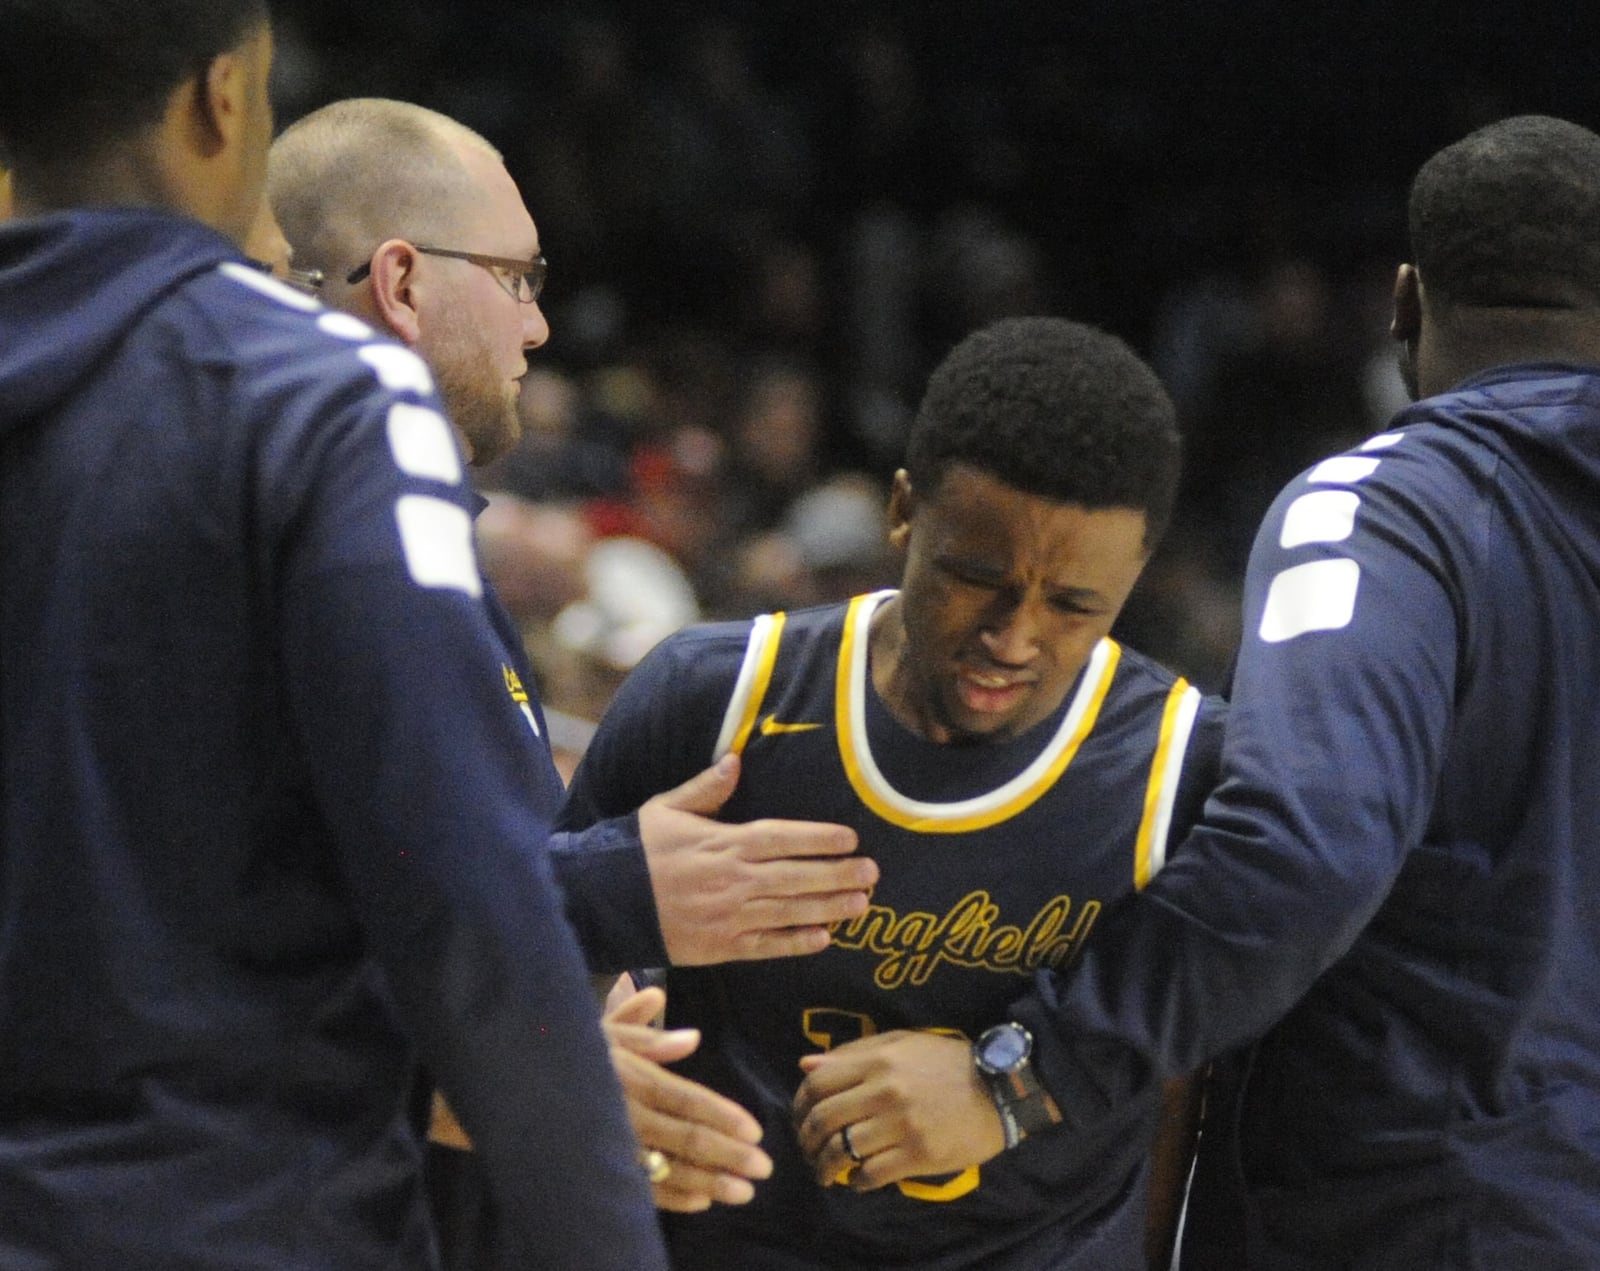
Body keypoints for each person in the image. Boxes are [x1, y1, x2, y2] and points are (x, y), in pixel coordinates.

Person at [3, 6, 672, 1267]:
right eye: (519, 283)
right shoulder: (321, 399)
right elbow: (471, 922)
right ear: (221, 98)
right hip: (238, 1217)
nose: (535, 325)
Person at [982, 114, 1600, 1269]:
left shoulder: (1387, 509)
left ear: (1405, 302)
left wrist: (1035, 1064)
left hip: (1422, 1209)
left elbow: (1304, 846)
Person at [265, 96, 878, 1235]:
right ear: (400, 281)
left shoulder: (397, 524)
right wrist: (617, 891)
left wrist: (533, 1048)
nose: (537, 329)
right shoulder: (322, 542)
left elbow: (376, 920)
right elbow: (264, 931)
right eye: (517, 278)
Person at [560, 316, 1228, 1269]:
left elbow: (1203, 1062)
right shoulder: (713, 697)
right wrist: (581, 1063)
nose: (1015, 635)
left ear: (1137, 575)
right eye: (976, 577)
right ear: (906, 511)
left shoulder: (1187, 766)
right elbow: (530, 962)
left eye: (1074, 603)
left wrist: (1009, 1089)